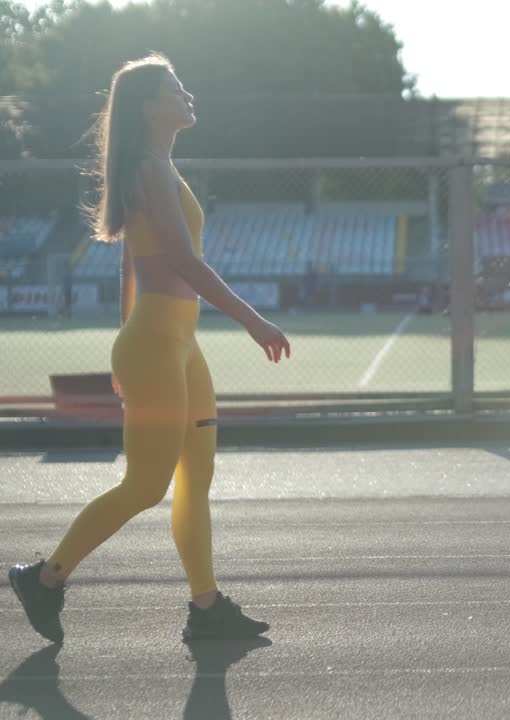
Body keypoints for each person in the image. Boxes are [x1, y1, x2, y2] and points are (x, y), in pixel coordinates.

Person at [8, 54, 291, 645]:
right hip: (157, 345)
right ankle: (45, 578)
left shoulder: (161, 167)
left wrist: (126, 335)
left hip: (175, 344)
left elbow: (132, 267)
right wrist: (254, 321)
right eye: (175, 88)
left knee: (197, 475)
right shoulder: (149, 169)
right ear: (148, 106)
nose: (188, 95)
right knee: (147, 484)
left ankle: (206, 607)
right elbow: (184, 261)